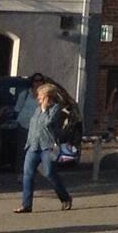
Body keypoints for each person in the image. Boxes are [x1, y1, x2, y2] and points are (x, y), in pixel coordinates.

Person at [13, 83, 73, 213]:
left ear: (47, 97)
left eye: (40, 96)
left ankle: (65, 198)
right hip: (33, 145)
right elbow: (33, 126)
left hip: (48, 146)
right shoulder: (37, 109)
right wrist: (28, 143)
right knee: (27, 174)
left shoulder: (56, 109)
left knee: (49, 173)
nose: (38, 98)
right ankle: (26, 204)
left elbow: (48, 123)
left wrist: (45, 109)